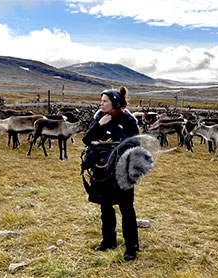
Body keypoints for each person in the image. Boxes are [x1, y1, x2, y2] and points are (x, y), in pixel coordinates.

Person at [82, 86, 140, 261]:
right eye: (101, 101)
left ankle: (131, 247)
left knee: (126, 208)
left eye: (104, 101)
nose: (101, 104)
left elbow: (136, 143)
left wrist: (116, 143)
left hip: (122, 171)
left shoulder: (128, 120)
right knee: (105, 206)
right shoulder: (99, 117)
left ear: (114, 103)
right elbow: (86, 139)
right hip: (102, 171)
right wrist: (99, 126)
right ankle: (108, 241)